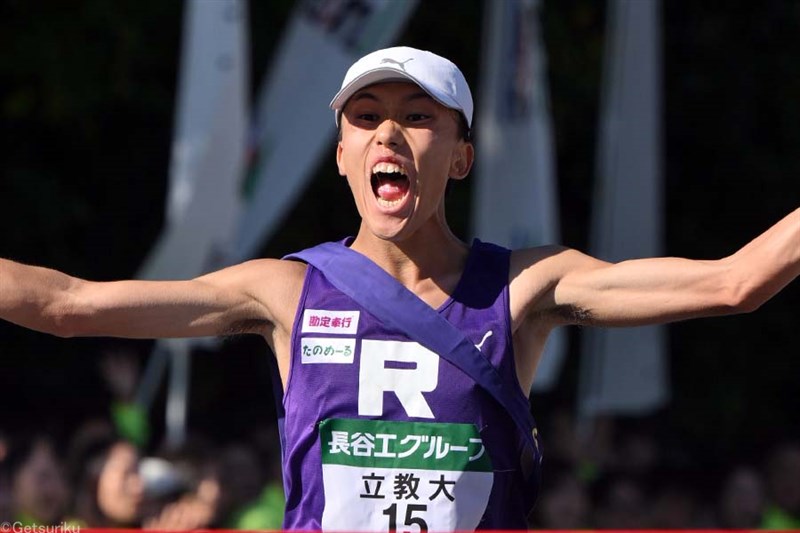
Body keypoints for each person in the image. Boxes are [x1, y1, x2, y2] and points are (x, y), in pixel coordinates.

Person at [0, 45, 798, 530]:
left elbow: (735, 283)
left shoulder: (524, 286)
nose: (387, 132)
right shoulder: (284, 291)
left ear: (460, 155)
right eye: (365, 116)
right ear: (344, 153)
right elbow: (69, 304)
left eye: (418, 117)